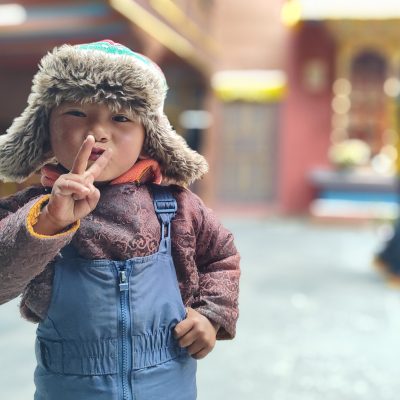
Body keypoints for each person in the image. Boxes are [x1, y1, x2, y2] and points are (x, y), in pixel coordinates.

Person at [0, 40, 240, 400]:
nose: (97, 132)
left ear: (149, 135)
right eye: (76, 113)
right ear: (44, 127)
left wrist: (211, 315)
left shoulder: (177, 208)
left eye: (121, 117)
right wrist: (49, 222)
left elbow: (221, 257)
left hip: (167, 383)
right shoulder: (31, 210)